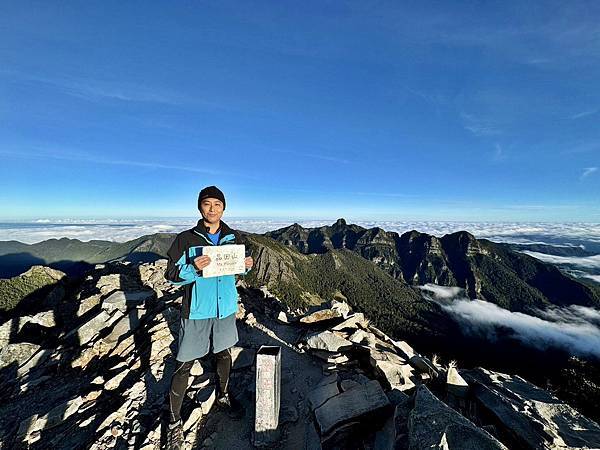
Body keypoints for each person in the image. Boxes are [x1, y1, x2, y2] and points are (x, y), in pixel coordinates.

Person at [163, 185, 253, 450]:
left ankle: (223, 395)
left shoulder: (232, 237)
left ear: (224, 208)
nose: (212, 209)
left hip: (224, 308)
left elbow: (234, 273)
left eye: (217, 204)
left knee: (224, 353)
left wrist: (246, 268)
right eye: (207, 204)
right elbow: (171, 274)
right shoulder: (185, 239)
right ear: (199, 207)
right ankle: (172, 422)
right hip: (196, 310)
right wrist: (191, 268)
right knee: (184, 364)